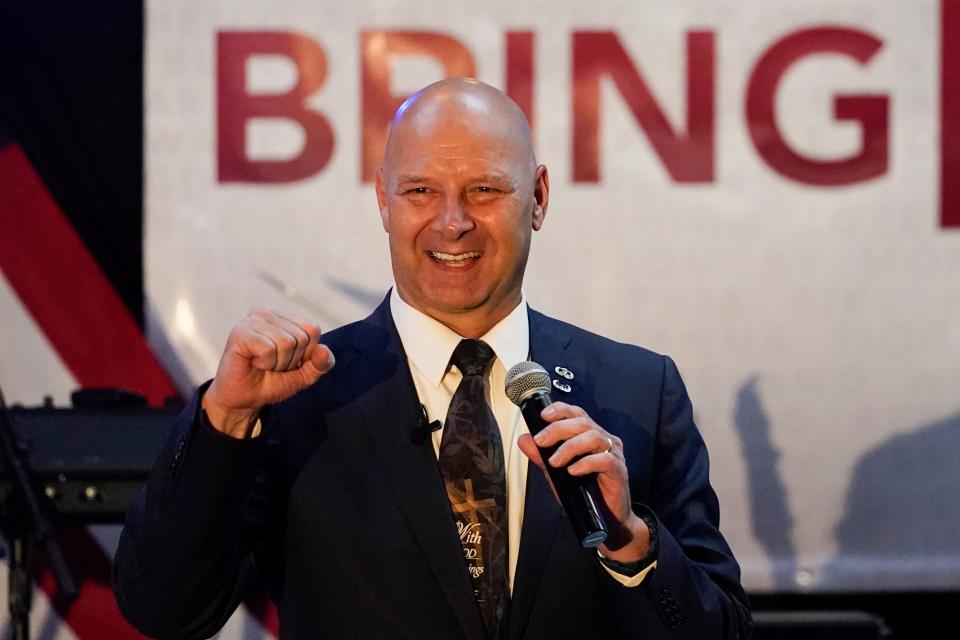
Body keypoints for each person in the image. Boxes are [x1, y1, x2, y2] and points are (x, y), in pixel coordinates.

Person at [113, 78, 752, 639]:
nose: (452, 222)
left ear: (538, 197)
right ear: (383, 200)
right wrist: (223, 420)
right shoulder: (298, 397)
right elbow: (164, 609)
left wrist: (631, 543)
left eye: (484, 190)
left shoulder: (638, 392)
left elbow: (720, 630)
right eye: (420, 190)